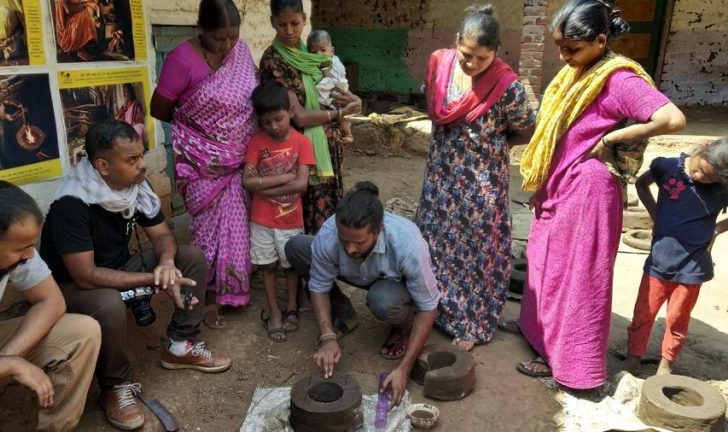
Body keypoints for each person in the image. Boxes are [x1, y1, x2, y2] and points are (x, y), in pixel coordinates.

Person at [516, 0, 686, 389]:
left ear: (600, 40)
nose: (563, 56)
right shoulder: (579, 72)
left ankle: (571, 366)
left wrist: (613, 136)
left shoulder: (618, 79)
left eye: (571, 49)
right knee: (543, 262)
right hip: (560, 184)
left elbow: (673, 119)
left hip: (590, 191)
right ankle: (537, 334)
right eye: (559, 47)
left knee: (577, 278)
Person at [39, 121, 231, 430]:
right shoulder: (72, 204)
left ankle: (180, 346)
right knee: (107, 303)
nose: (142, 166)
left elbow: (162, 236)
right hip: (71, 288)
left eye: (141, 155)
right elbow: (86, 275)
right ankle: (114, 385)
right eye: (132, 160)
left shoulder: (135, 186)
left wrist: (166, 263)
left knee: (190, 257)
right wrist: (154, 279)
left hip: (118, 269)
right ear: (103, 165)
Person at [414, 5, 536, 352]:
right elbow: (434, 107)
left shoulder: (507, 86)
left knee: (475, 251)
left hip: (480, 183)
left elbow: (528, 128)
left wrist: (494, 147)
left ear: (496, 53)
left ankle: (472, 321)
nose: (471, 64)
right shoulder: (440, 63)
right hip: (440, 176)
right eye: (466, 55)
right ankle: (435, 310)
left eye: (481, 58)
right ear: (457, 43)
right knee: (435, 242)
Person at [0, 180, 101, 431]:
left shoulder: (1, 239)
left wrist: (5, 359)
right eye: (22, 249)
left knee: (82, 332)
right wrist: (9, 365)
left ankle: (53, 427)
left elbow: (51, 301)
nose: (28, 255)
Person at [285, 181, 439, 406]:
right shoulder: (329, 235)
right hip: (356, 273)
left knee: (383, 301)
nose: (349, 249)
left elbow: (428, 307)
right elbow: (317, 285)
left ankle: (404, 324)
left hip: (392, 285)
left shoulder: (409, 245)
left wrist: (403, 370)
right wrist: (327, 337)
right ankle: (342, 311)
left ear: (378, 230)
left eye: (358, 242)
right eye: (343, 240)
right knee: (296, 247)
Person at [151, 0, 255, 323]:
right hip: (201, 163)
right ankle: (204, 291)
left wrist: (232, 139)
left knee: (236, 220)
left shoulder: (242, 53)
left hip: (237, 161)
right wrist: (200, 134)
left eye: (233, 37)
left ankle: (231, 292)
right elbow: (160, 109)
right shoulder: (181, 59)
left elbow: (251, 98)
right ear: (201, 30)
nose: (227, 45)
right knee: (206, 228)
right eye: (219, 38)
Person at [622, 138, 728, 376]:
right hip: (659, 262)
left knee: (677, 319)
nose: (702, 177)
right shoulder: (668, 167)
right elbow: (641, 184)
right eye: (700, 169)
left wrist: (716, 229)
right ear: (703, 150)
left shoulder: (722, 189)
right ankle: (633, 358)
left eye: (711, 178)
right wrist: (654, 213)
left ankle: (666, 364)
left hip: (692, 267)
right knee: (643, 313)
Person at [259, 0, 362, 234]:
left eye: (295, 23)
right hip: (301, 151)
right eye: (282, 24)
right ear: (272, 23)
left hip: (329, 146)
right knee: (310, 213)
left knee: (330, 212)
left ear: (304, 20)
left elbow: (335, 89)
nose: (289, 31)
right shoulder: (273, 61)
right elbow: (300, 117)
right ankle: (310, 264)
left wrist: (355, 101)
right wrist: (339, 113)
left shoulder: (309, 52)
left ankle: (329, 261)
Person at [242, 81, 315, 342]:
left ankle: (292, 308)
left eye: (279, 119)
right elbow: (246, 182)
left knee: (290, 266)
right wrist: (284, 177)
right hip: (261, 219)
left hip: (290, 219)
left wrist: (262, 185)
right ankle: (274, 313)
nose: (273, 126)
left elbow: (301, 184)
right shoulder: (256, 142)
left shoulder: (302, 142)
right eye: (266, 122)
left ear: (291, 112)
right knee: (267, 266)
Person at [305, 30, 353, 145]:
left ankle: (349, 134)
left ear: (332, 51)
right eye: (313, 52)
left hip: (337, 94)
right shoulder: (310, 66)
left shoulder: (335, 63)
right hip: (322, 104)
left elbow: (333, 84)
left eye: (323, 50)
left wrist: (325, 69)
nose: (318, 55)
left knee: (344, 116)